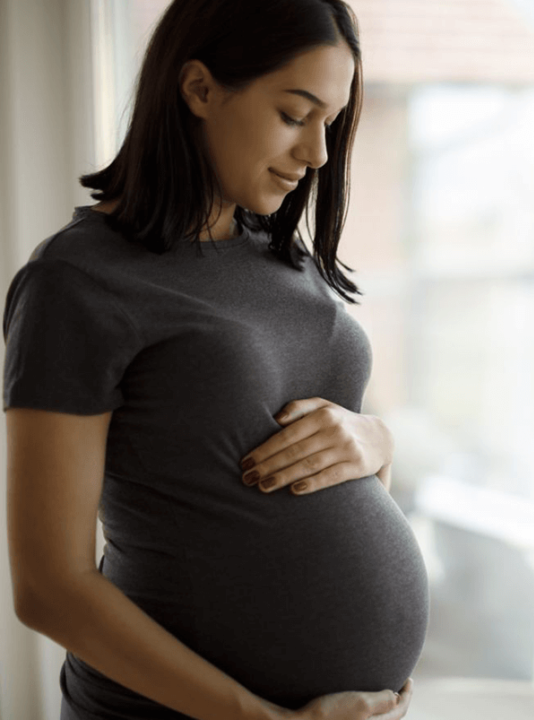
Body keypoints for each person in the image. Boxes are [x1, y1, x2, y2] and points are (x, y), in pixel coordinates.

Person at [3, 1, 430, 718]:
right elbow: (50, 587)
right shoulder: (77, 282)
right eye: (296, 114)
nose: (319, 154)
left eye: (332, 121)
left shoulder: (283, 259)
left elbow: (314, 454)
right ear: (199, 89)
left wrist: (376, 439)